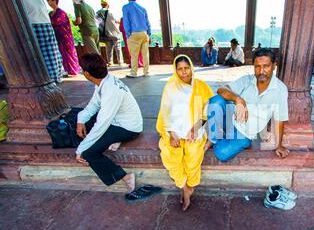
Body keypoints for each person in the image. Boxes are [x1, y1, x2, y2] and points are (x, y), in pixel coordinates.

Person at [206, 48, 290, 161]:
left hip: (245, 134)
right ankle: (214, 138)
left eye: (266, 66)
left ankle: (223, 138)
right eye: (257, 66)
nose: (261, 71)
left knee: (221, 153)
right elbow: (221, 89)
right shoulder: (247, 80)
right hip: (231, 121)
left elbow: (279, 119)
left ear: (274, 66)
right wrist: (238, 99)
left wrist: (278, 145)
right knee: (216, 101)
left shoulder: (280, 90)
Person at [75, 53, 143, 193]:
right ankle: (114, 140)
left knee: (89, 153)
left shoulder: (111, 89)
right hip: (115, 121)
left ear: (87, 74)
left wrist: (81, 149)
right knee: (85, 122)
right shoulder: (103, 81)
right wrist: (80, 120)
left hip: (128, 128)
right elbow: (93, 105)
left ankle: (125, 176)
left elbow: (102, 124)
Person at [156, 55, 214, 211]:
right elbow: (165, 112)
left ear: (192, 68)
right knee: (170, 156)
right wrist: (172, 133)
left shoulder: (201, 86)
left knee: (194, 156)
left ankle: (189, 186)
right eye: (180, 69)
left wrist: (196, 127)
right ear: (175, 70)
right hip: (174, 130)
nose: (184, 72)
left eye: (186, 68)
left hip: (194, 129)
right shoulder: (170, 86)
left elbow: (206, 112)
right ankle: (183, 186)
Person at [16, 0, 63, 84]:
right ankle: (54, 78)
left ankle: (44, 82)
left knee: (37, 56)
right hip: (46, 26)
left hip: (34, 26)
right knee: (51, 55)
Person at [46, 0, 81, 76]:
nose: (47, 1)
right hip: (56, 37)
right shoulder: (51, 13)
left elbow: (54, 22)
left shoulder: (61, 13)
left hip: (65, 37)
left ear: (54, 1)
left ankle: (73, 70)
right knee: (59, 53)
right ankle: (64, 70)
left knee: (69, 53)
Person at [122, 0, 151, 78]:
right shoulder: (142, 8)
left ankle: (134, 72)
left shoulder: (125, 7)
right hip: (144, 33)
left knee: (134, 55)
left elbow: (126, 22)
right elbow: (148, 23)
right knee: (145, 54)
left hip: (134, 34)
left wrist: (128, 35)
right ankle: (146, 72)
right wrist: (149, 34)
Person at [96, 0, 123, 66]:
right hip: (114, 33)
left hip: (105, 34)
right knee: (118, 47)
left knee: (108, 48)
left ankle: (110, 62)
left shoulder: (98, 12)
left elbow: (97, 22)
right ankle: (120, 62)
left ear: (101, 5)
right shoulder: (110, 12)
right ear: (107, 5)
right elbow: (114, 21)